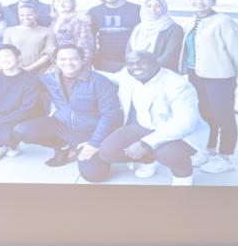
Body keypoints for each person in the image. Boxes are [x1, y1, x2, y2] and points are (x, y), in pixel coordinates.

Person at [89, 50, 208, 184]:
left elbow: (185, 123)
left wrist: (145, 143)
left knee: (167, 153)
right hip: (147, 127)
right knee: (107, 151)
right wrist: (82, 69)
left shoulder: (178, 84)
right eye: (131, 63)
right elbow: (112, 77)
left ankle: (183, 175)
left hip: (182, 134)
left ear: (155, 63)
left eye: (141, 63)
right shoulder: (129, 75)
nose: (136, 67)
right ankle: (149, 160)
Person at [10, 45, 120, 175]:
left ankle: (81, 147)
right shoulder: (49, 78)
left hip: (90, 132)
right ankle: (62, 146)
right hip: (61, 125)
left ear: (83, 60)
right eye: (63, 59)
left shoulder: (99, 81)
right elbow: (22, 81)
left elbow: (110, 114)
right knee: (21, 130)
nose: (68, 63)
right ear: (56, 61)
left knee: (95, 175)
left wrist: (94, 143)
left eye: (73, 59)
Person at [182, 0, 238, 173]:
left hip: (220, 78)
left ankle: (225, 156)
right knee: (204, 115)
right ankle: (209, 150)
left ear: (214, 1)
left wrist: (230, 75)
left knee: (223, 116)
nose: (200, 2)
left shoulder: (224, 22)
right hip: (195, 75)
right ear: (189, 1)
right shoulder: (192, 20)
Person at [126, 0, 181, 72]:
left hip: (163, 72)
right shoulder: (138, 28)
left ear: (164, 8)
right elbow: (129, 52)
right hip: (137, 71)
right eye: (149, 6)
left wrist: (146, 68)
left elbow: (169, 57)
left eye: (158, 6)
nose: (153, 10)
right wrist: (134, 66)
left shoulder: (174, 28)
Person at [88, 0, 140, 73]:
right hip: (103, 62)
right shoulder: (94, 12)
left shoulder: (137, 10)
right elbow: (89, 39)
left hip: (132, 61)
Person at [4, 4, 57, 74]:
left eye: (29, 15)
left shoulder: (47, 31)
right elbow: (6, 52)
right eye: (22, 15)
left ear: (36, 15)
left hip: (41, 71)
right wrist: (17, 68)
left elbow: (49, 54)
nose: (25, 18)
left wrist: (29, 68)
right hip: (17, 71)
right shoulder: (10, 31)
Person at [50, 0, 94, 64]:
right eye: (58, 1)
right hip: (59, 60)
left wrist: (84, 63)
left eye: (66, 1)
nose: (61, 4)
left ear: (73, 4)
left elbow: (86, 45)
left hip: (72, 61)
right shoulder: (54, 20)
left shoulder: (80, 19)